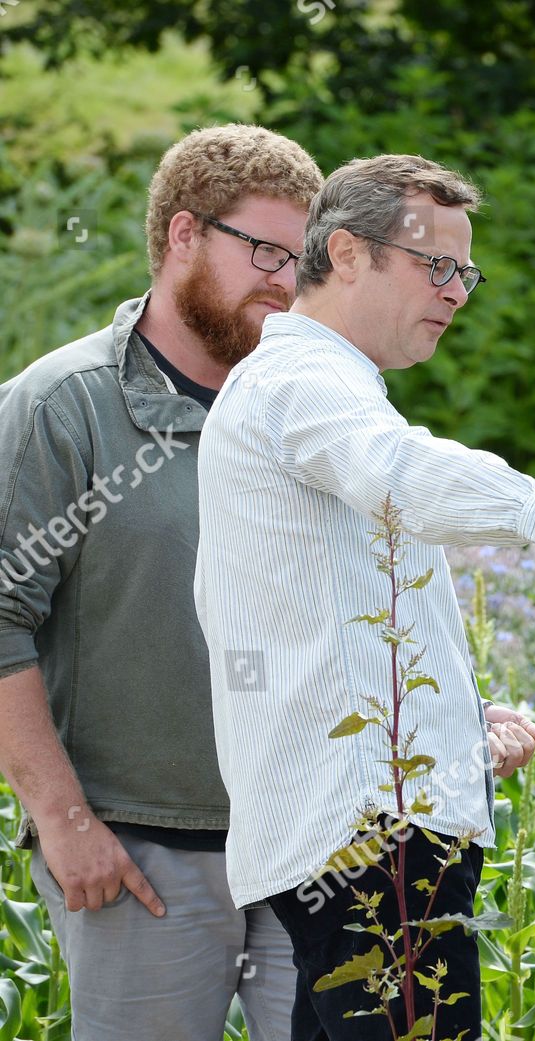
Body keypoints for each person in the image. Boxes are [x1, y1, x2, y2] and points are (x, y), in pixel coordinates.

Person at [193, 154, 535, 1040]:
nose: (458, 293)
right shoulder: (307, 383)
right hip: (378, 845)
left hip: (360, 839)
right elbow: (404, 473)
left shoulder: (310, 389)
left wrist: (462, 717)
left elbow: (322, 624)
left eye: (467, 271)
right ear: (346, 252)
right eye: (435, 266)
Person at [0, 123, 322, 1041]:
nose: (285, 280)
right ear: (183, 235)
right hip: (139, 859)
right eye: (263, 249)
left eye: (301, 258)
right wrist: (63, 824)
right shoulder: (64, 409)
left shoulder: (304, 410)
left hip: (304, 851)